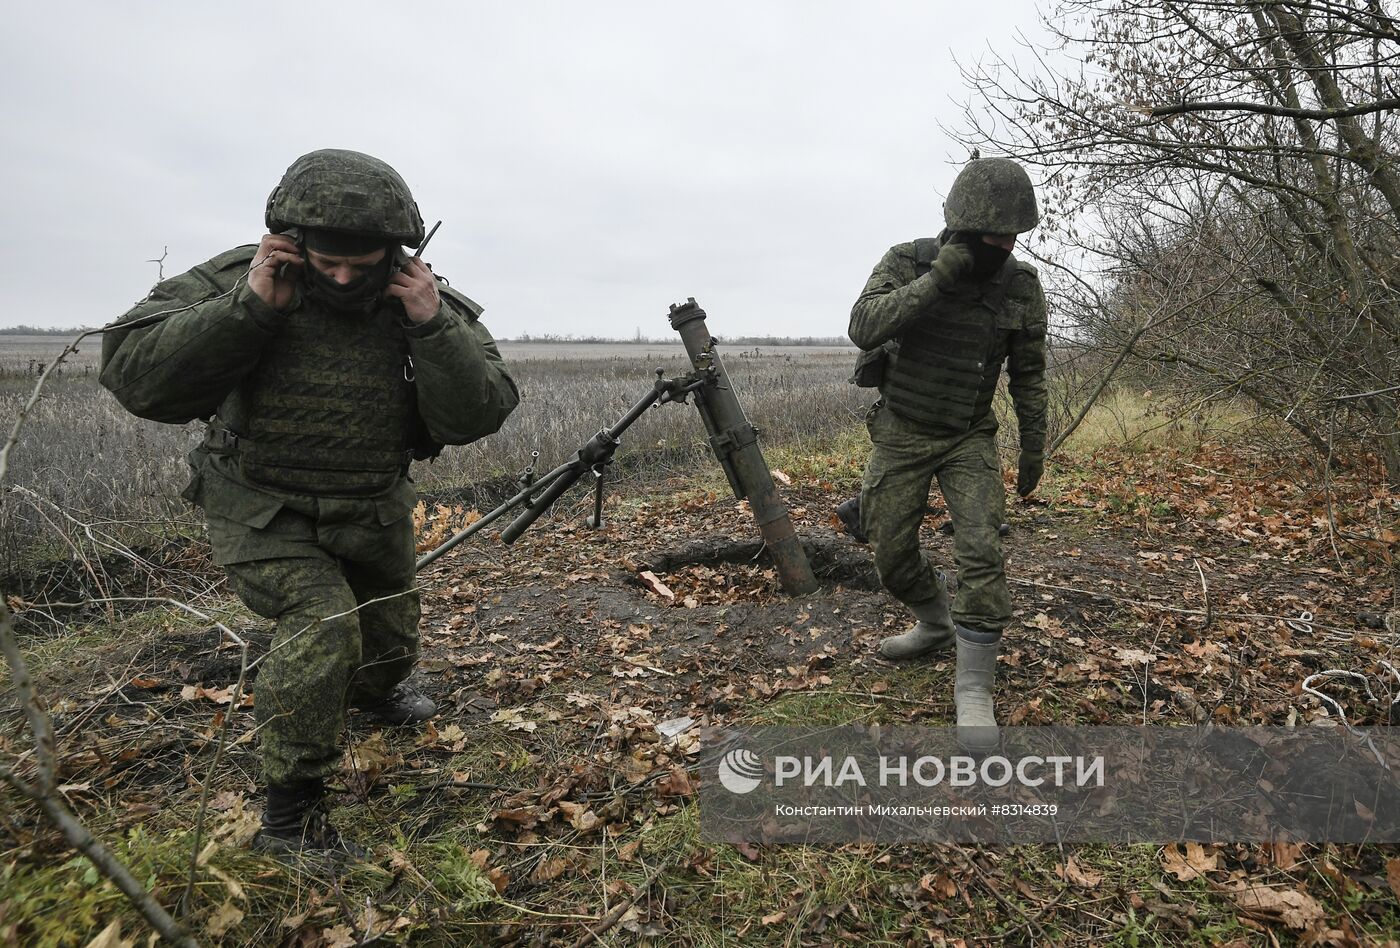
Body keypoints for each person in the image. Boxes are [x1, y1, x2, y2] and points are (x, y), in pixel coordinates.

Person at [100, 149, 519, 855]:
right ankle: (290, 821)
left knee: (385, 647)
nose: (348, 277)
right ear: (293, 241)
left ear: (399, 251)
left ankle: (373, 695)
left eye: (365, 263)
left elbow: (477, 414)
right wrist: (250, 310)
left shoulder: (424, 297)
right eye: (330, 262)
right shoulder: (242, 279)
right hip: (262, 503)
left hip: (371, 502)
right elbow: (136, 379)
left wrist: (430, 325)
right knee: (323, 624)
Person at [848, 157, 1047, 748]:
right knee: (888, 549)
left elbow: (1030, 375)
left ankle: (974, 687)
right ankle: (935, 621)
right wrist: (938, 282)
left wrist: (1034, 444)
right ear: (960, 227)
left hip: (968, 434)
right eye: (992, 237)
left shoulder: (1020, 287)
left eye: (1012, 237)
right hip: (902, 428)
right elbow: (864, 326)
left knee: (982, 548)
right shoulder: (907, 262)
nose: (1003, 247)